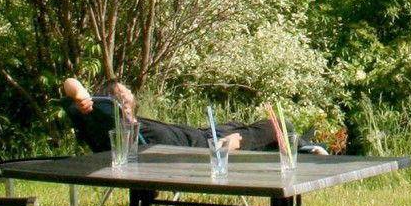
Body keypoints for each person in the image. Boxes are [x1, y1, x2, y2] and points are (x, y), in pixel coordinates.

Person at [57, 77, 315, 154]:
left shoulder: (138, 127)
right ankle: (305, 145)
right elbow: (69, 84)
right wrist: (80, 93)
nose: (129, 99)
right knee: (278, 123)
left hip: (210, 133)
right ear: (106, 102)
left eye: (129, 98)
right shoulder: (114, 125)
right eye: (122, 96)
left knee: (262, 131)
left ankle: (304, 145)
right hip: (212, 146)